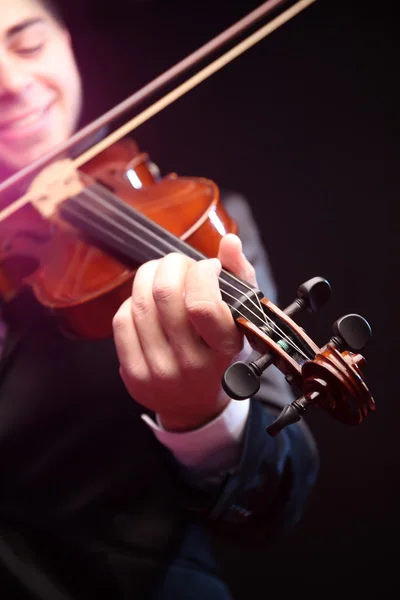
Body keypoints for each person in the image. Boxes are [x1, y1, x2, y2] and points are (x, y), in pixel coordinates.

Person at [0, 1, 319, 598]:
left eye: (27, 43)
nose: (12, 84)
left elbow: (276, 496)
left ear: (67, 41)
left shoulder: (194, 227)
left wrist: (203, 417)